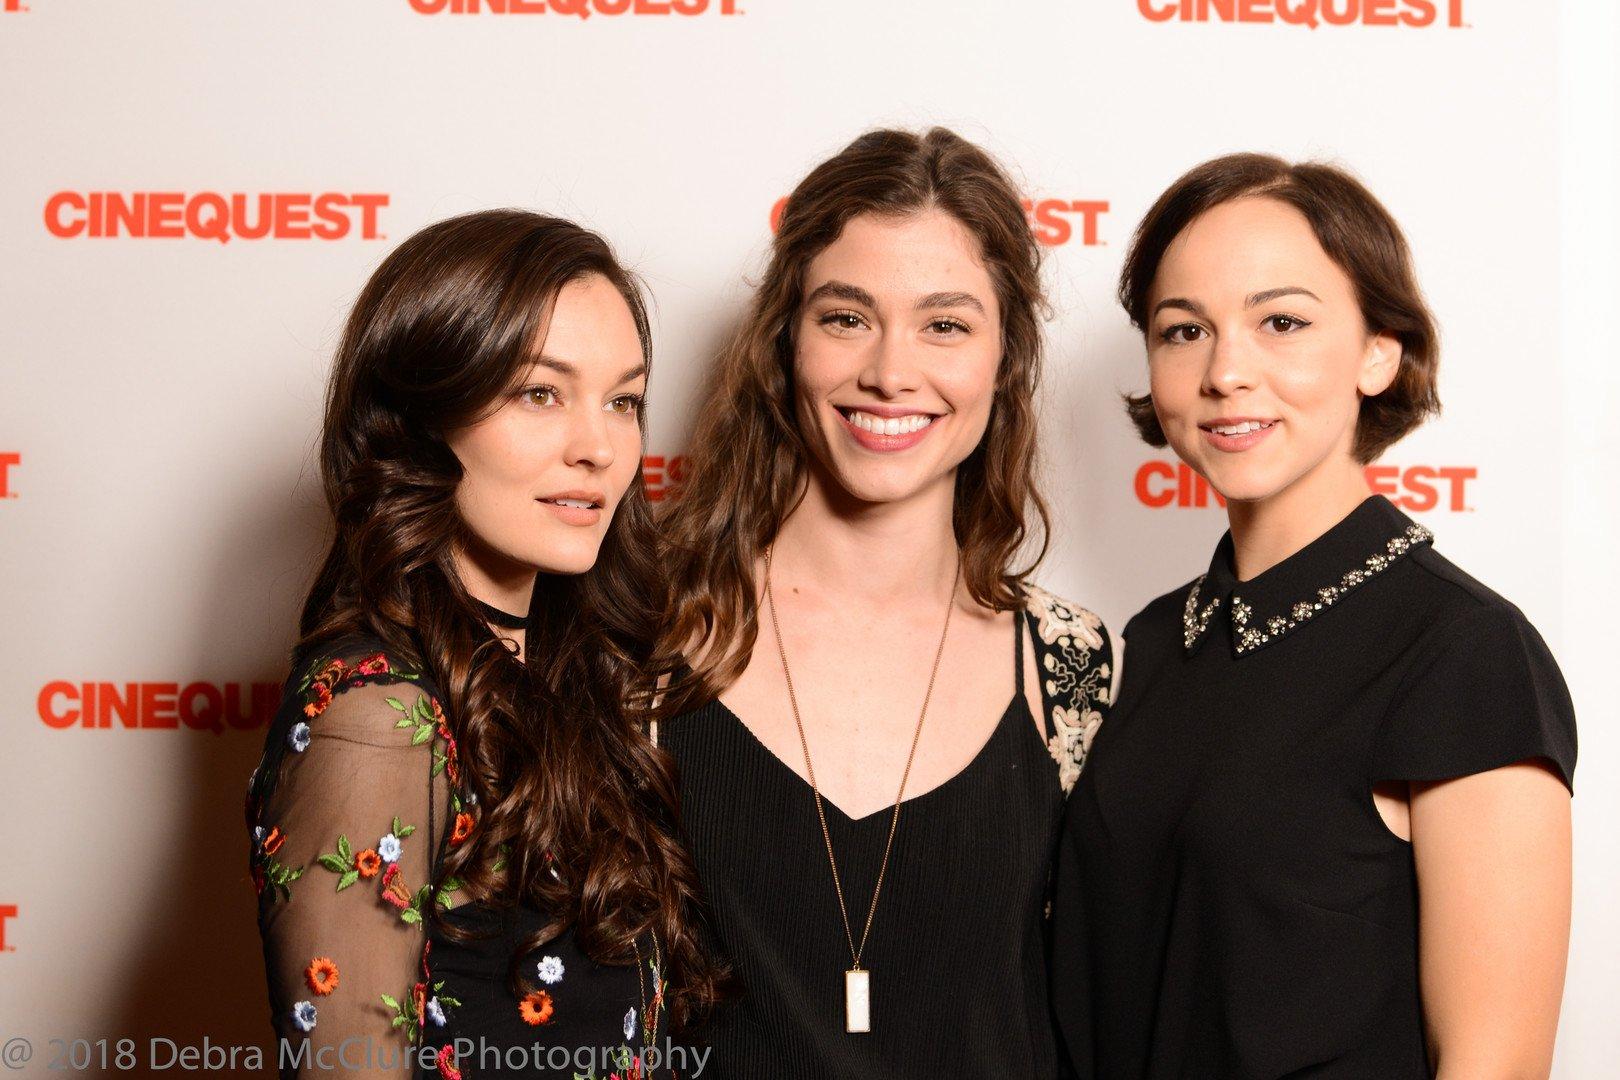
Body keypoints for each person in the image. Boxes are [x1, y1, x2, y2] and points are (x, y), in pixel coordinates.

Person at [1051, 154, 1577, 1079]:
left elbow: (1494, 1062)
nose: (1226, 372)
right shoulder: (1150, 642)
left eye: (1282, 322)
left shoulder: (1464, 653)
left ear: (1380, 352)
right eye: (1184, 331)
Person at [653, 128, 1113, 1079]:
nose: (891, 373)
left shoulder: (1071, 663)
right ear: (785, 340)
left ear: (1006, 357)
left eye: (945, 325)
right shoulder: (644, 634)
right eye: (846, 317)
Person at [244, 209, 723, 1079]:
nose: (599, 448)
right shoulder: (378, 714)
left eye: (623, 401)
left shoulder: (576, 680)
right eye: (540, 393)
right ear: (424, 417)